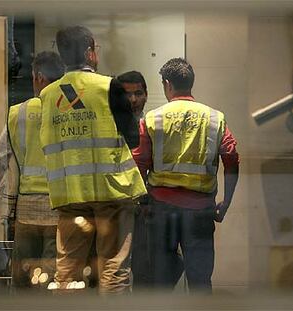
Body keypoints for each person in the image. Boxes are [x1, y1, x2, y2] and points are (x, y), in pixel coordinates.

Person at [39, 26, 147, 294]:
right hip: (112, 191)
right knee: (113, 266)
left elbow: (48, 142)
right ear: (89, 52)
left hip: (70, 194)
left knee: (67, 269)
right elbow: (133, 138)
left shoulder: (48, 95)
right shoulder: (108, 86)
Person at [134, 58, 239, 292]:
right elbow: (231, 159)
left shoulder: (153, 118)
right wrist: (227, 202)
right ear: (191, 83)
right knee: (201, 282)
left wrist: (142, 202)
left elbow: (139, 162)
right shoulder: (214, 118)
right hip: (200, 211)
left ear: (167, 84)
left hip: (162, 210)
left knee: (161, 282)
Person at [0, 51, 64, 290]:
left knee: (22, 280)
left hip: (25, 211)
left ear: (39, 77)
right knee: (50, 279)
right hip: (59, 209)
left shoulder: (18, 113)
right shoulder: (68, 112)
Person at [117, 70, 185, 290]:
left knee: (149, 269)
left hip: (146, 207)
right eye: (128, 94)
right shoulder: (110, 127)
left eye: (138, 93)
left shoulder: (153, 124)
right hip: (116, 206)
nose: (133, 99)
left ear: (146, 94)